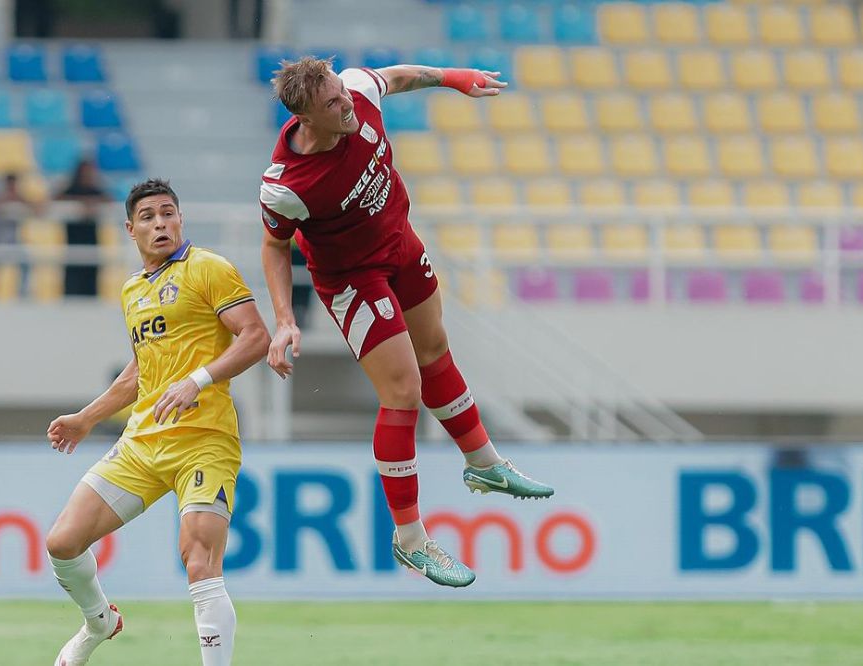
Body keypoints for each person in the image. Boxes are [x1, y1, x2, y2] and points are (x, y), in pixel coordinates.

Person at [259, 58, 554, 588]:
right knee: (402, 391)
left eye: (340, 93)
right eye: (331, 105)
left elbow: (394, 78)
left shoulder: (354, 90)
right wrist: (284, 319)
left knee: (436, 348)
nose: (345, 104)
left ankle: (484, 464)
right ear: (306, 118)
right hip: (353, 279)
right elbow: (275, 247)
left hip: (399, 241)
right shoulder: (287, 184)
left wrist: (452, 77)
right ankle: (412, 540)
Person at [45, 178, 270, 666]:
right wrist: (87, 418)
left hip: (205, 442)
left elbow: (255, 336)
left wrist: (198, 380)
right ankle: (99, 621)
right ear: (131, 229)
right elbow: (139, 372)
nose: (160, 223)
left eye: (168, 212)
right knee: (62, 542)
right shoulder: (132, 289)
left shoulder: (208, 267)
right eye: (148, 217)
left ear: (180, 219)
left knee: (198, 558)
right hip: (142, 444)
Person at [56, 158, 111, 297]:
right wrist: (80, 204)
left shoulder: (96, 191)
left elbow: (109, 201)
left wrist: (93, 203)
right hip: (73, 245)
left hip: (92, 244)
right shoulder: (71, 189)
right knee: (72, 285)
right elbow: (55, 199)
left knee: (91, 285)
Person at [0, 172, 33, 297]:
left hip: (13, 241)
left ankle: (22, 294)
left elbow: (36, 208)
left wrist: (19, 199)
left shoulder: (19, 198)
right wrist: (6, 199)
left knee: (26, 263)